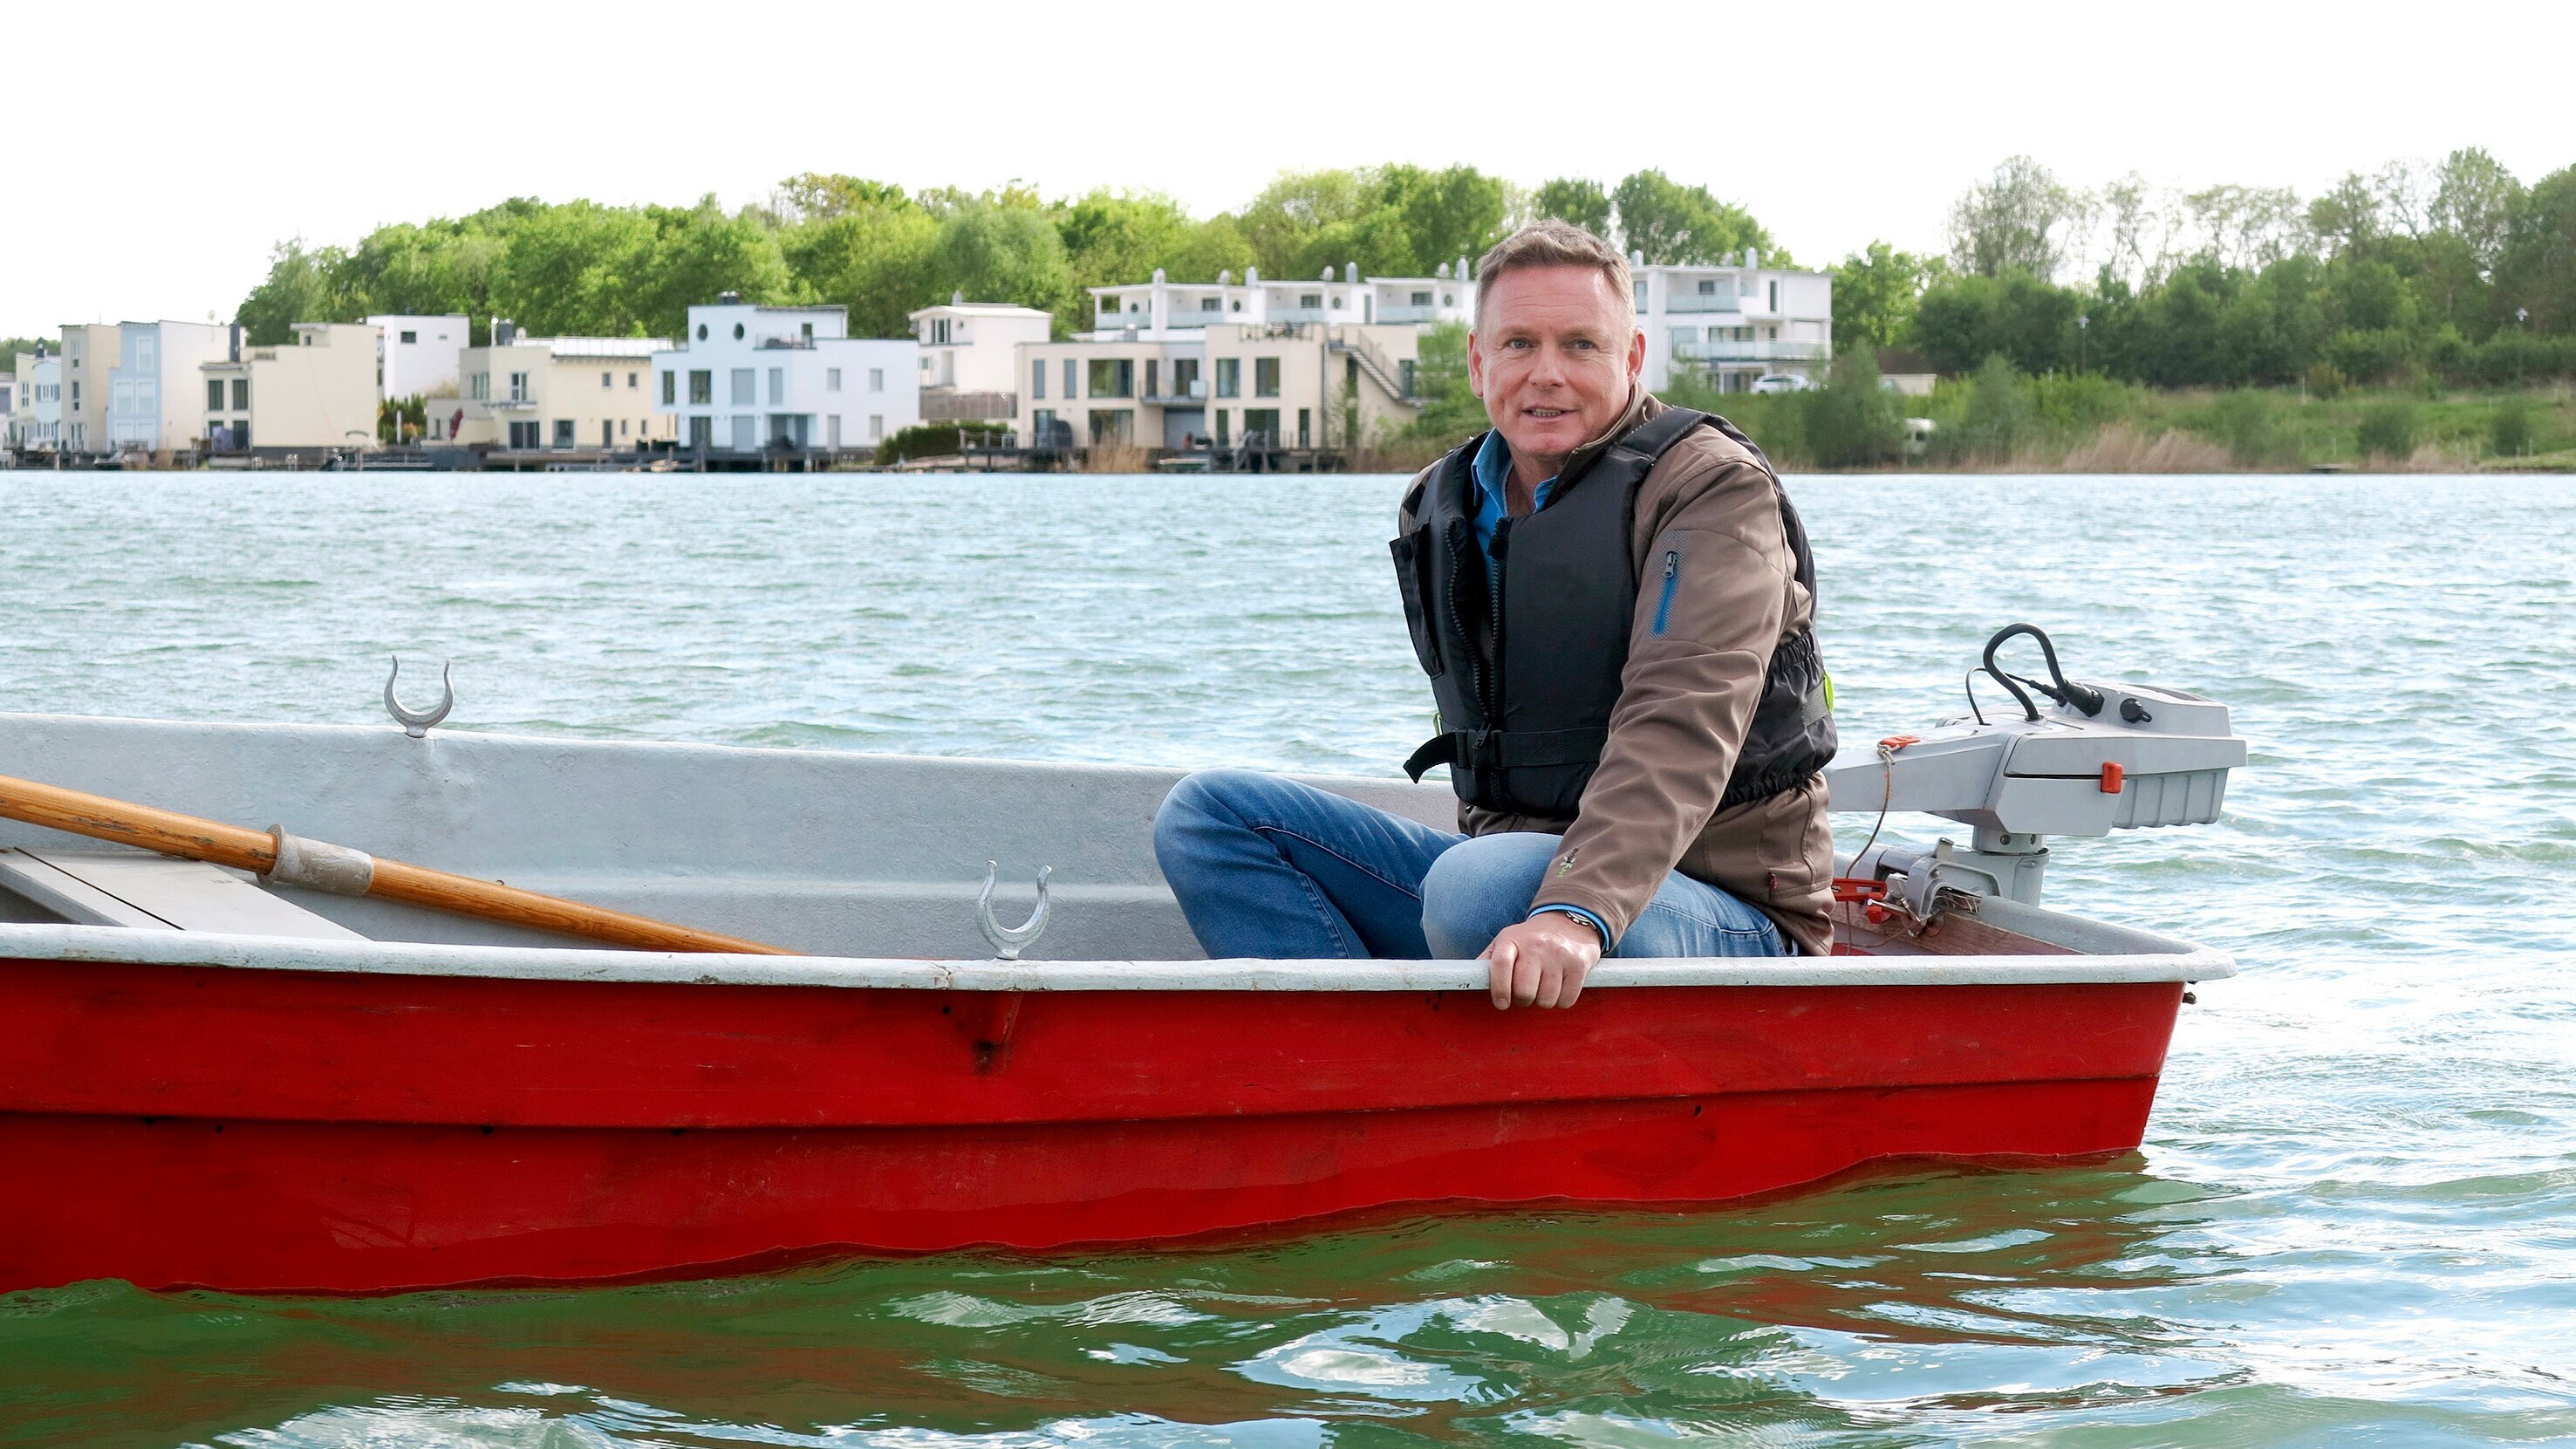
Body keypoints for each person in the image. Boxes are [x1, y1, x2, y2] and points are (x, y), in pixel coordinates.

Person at [1153, 220, 1837, 1009]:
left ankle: (1444, 1024)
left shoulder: (1710, 490)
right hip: (1513, 884)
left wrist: (1572, 910)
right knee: (1207, 817)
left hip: (1719, 906)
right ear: (1479, 361)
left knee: (1476, 887)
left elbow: (1680, 722)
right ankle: (1361, 1061)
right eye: (1518, 344)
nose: (1546, 374)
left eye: (1579, 344)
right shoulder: (1439, 502)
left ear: (1631, 358)